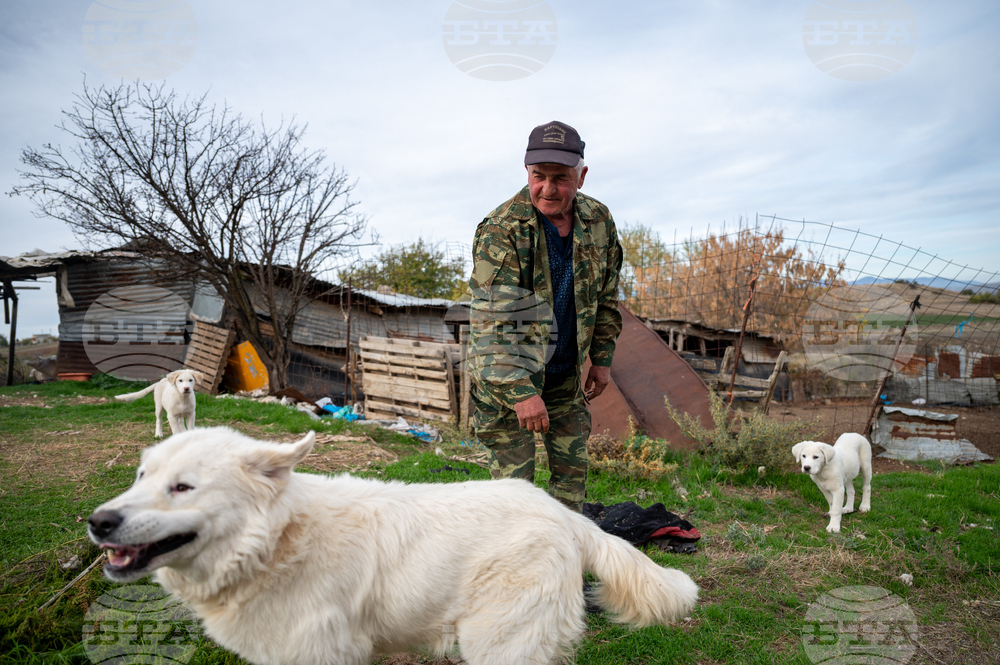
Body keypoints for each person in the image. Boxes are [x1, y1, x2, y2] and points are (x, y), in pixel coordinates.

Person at [468, 120, 623, 513]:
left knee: (572, 481)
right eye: (539, 177)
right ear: (526, 172)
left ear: (582, 176)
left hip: (563, 380)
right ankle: (512, 572)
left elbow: (605, 299)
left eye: (561, 178)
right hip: (507, 385)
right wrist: (522, 393)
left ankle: (566, 568)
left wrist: (601, 361)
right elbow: (492, 324)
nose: (548, 189)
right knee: (513, 497)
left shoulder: (599, 223)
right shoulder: (502, 230)